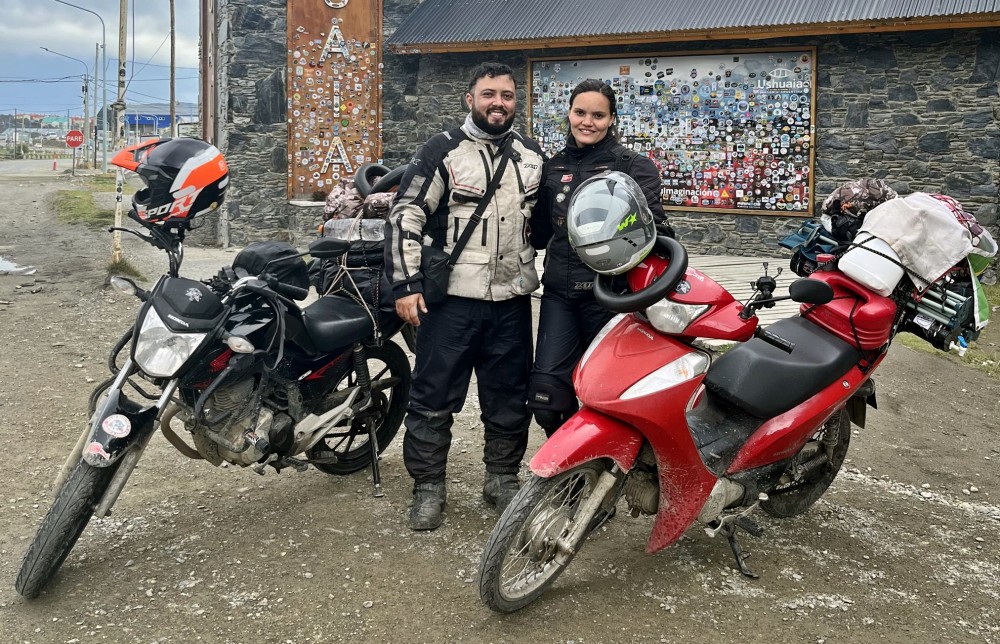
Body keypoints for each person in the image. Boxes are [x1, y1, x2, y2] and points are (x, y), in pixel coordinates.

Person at [384, 62, 546, 530]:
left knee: (509, 398)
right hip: (451, 301)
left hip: (512, 300)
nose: (499, 103)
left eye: (507, 95)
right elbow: (405, 215)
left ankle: (501, 479)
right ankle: (428, 487)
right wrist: (406, 285)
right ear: (470, 99)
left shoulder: (532, 156)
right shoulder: (441, 150)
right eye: (489, 94)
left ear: (516, 102)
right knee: (433, 398)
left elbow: (547, 221)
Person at [528, 78, 672, 437]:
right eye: (580, 113)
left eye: (598, 115)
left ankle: (611, 460)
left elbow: (656, 232)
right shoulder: (552, 167)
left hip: (613, 296)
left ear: (611, 119)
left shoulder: (633, 167)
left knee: (608, 393)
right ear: (569, 114)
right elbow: (539, 234)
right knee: (548, 398)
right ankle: (569, 460)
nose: (587, 122)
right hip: (560, 295)